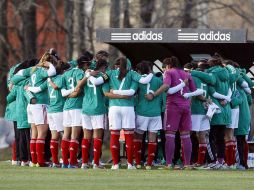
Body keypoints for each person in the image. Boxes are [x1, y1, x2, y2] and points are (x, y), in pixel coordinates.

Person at [145, 56, 197, 169]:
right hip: (186, 107)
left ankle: (168, 164)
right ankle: (187, 164)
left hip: (173, 106)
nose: (164, 70)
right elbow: (194, 91)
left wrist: (154, 94)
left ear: (168, 66)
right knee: (185, 136)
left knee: (170, 135)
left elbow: (166, 86)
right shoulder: (187, 74)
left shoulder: (169, 72)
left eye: (164, 68)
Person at [14, 53, 57, 167]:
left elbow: (18, 73)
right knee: (42, 134)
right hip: (40, 104)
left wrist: (27, 86)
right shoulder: (43, 71)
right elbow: (52, 72)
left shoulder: (33, 71)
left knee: (34, 133)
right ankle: (41, 162)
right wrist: (48, 64)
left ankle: (34, 161)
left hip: (31, 106)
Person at [77, 59, 109, 169]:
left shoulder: (87, 75)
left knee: (86, 137)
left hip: (85, 109)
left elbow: (78, 86)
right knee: (97, 137)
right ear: (104, 67)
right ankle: (96, 163)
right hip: (98, 109)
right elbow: (105, 92)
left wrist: (88, 75)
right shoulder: (105, 76)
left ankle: (84, 163)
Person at [60, 55, 90, 168]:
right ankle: (72, 162)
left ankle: (65, 162)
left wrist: (69, 95)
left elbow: (63, 93)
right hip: (77, 107)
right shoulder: (79, 73)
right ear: (83, 64)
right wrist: (86, 77)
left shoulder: (65, 74)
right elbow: (78, 89)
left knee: (66, 135)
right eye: (88, 64)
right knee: (74, 136)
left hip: (67, 106)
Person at [134, 61, 163, 170]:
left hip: (142, 112)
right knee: (152, 139)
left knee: (138, 138)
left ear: (140, 70)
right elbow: (166, 89)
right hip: (155, 113)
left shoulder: (138, 80)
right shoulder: (158, 80)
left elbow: (134, 93)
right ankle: (149, 164)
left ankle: (137, 162)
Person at [206, 57, 231, 169]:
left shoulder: (212, 74)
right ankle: (221, 161)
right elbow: (230, 89)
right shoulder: (227, 73)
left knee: (211, 137)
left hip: (215, 111)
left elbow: (212, 92)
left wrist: (223, 98)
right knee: (221, 138)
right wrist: (227, 99)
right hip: (226, 111)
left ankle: (213, 161)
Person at [46, 61, 70, 167]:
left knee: (54, 136)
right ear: (63, 71)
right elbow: (56, 87)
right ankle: (65, 160)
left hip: (50, 110)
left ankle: (55, 162)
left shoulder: (50, 79)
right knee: (65, 134)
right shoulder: (61, 78)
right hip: (59, 110)